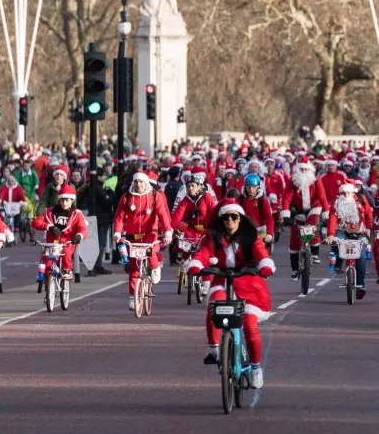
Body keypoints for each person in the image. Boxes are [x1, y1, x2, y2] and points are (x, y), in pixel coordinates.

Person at [186, 200, 274, 389]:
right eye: (226, 217)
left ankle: (256, 367)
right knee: (214, 306)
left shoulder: (251, 236)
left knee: (250, 325)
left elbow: (260, 252)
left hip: (249, 283)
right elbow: (204, 252)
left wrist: (265, 264)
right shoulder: (213, 237)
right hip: (223, 280)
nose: (230, 221)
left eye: (234, 216)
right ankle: (214, 348)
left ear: (240, 219)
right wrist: (196, 264)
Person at [112, 171, 173, 311]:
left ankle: (155, 268)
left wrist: (168, 230)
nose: (138, 185)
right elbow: (119, 217)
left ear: (146, 183)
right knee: (133, 267)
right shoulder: (126, 197)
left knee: (151, 254)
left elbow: (163, 215)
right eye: (136, 182)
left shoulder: (154, 196)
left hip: (150, 234)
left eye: (141, 182)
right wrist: (117, 232)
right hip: (133, 236)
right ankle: (133, 296)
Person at [325, 181, 373, 299]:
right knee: (337, 241)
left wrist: (369, 227)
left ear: (353, 192)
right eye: (343, 193)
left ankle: (360, 285)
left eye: (348, 193)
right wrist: (330, 234)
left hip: (359, 231)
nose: (346, 195)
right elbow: (332, 218)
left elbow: (368, 213)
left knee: (361, 257)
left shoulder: (361, 199)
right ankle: (338, 263)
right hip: (343, 230)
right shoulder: (336, 203)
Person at [280, 161, 327, 277]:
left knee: (312, 227)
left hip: (313, 208)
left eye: (306, 170)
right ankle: (295, 269)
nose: (304, 172)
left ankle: (315, 253)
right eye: (302, 170)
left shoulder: (316, 181)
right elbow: (286, 198)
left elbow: (322, 198)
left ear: (310, 170)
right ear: (298, 170)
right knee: (295, 236)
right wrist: (286, 215)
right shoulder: (292, 181)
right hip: (297, 210)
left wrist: (326, 216)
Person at [32, 184, 86, 282]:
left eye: (67, 200)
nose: (64, 203)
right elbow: (35, 222)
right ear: (59, 200)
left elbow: (82, 228)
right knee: (47, 263)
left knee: (66, 253)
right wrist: (49, 227)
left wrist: (79, 236)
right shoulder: (50, 212)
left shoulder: (76, 214)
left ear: (72, 201)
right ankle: (48, 285)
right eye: (62, 200)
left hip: (67, 243)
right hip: (52, 243)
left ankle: (67, 271)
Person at [76, 165, 116, 275]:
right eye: (104, 175)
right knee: (100, 243)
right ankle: (95, 266)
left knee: (100, 243)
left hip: (99, 217)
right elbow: (108, 201)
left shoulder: (91, 187)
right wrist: (111, 192)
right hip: (101, 218)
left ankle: (97, 265)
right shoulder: (97, 188)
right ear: (98, 176)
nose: (106, 177)